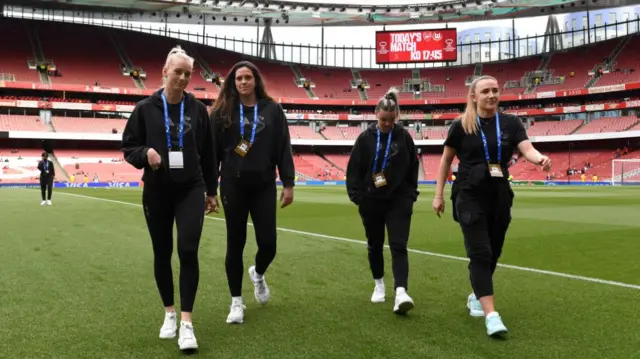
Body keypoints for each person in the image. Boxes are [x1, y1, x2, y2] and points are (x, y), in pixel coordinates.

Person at [432, 75, 551, 337]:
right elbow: (445, 160)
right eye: (485, 91)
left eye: (495, 90)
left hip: (499, 194)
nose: (492, 95)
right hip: (468, 192)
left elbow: (527, 148)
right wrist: (438, 195)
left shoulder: (510, 123)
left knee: (493, 251)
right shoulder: (461, 125)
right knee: (480, 253)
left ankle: (477, 294)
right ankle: (492, 315)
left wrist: (539, 158)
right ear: (473, 96)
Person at [120, 45, 219, 351]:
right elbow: (128, 147)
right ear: (164, 72)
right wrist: (145, 153)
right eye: (177, 72)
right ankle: (169, 314)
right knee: (162, 253)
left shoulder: (198, 110)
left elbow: (209, 153)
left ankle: (187, 324)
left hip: (190, 188)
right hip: (157, 190)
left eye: (188, 74)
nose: (183, 78)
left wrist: (212, 191)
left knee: (188, 251)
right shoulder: (145, 109)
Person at [210, 60, 295, 325]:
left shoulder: (272, 111)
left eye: (247, 77)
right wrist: (210, 190)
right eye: (238, 79)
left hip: (264, 185)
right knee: (235, 244)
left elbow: (283, 147)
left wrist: (289, 183)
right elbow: (211, 153)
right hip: (233, 186)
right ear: (232, 83)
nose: (243, 82)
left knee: (268, 243)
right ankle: (236, 302)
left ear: (256, 80)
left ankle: (257, 273)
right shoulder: (223, 112)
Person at [345, 88, 419, 315]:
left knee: (399, 245)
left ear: (397, 116)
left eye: (391, 120)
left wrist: (410, 195)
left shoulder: (404, 137)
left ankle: (401, 291)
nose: (387, 124)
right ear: (376, 114)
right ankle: (379, 284)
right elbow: (354, 170)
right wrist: (358, 197)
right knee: (374, 244)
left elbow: (412, 167)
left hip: (398, 201)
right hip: (371, 200)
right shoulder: (365, 138)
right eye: (383, 120)